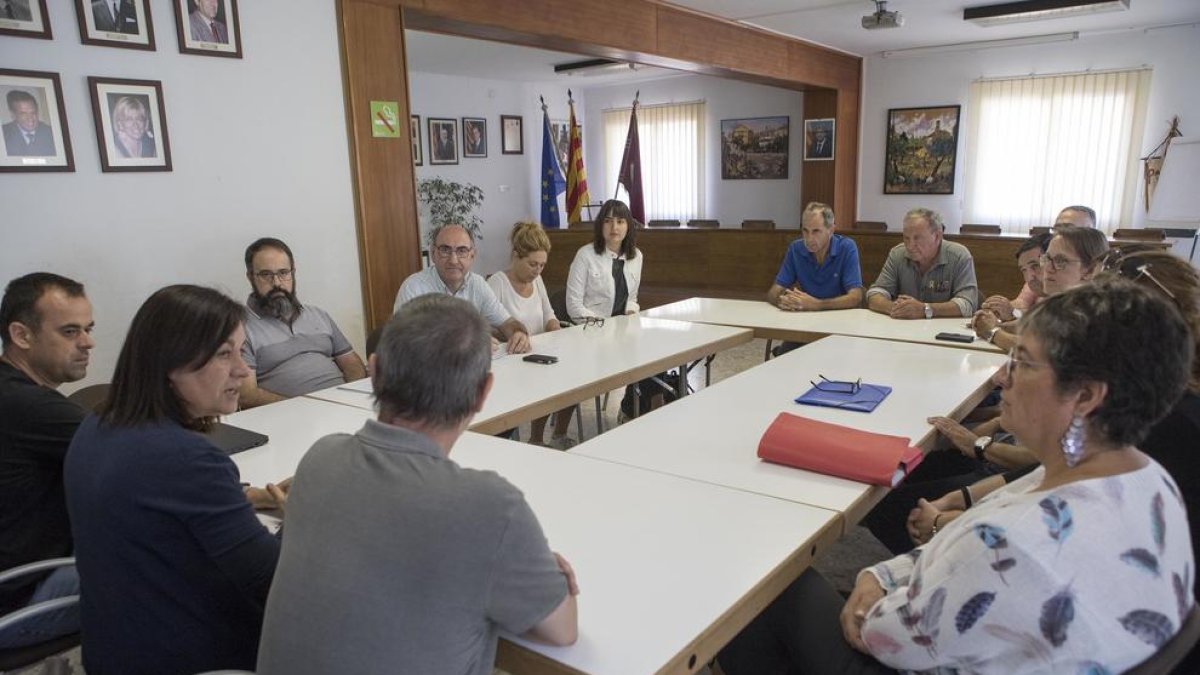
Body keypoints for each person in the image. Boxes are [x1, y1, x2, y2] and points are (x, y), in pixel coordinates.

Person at [721, 278, 1196, 674]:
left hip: (916, 651)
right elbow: (965, 560)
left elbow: (889, 636)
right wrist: (876, 573)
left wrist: (871, 600)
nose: (1004, 377)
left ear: (1087, 396)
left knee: (759, 586)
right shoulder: (1147, 479)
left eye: (1024, 362)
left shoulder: (1017, 543)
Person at [256, 294, 578, 675]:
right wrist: (552, 575)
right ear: (483, 392)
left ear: (372, 373)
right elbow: (562, 630)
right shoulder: (489, 506)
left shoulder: (319, 458)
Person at [64, 285, 287, 675]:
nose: (243, 370)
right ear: (171, 363)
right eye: (223, 354)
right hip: (193, 656)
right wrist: (303, 516)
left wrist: (247, 498)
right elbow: (273, 581)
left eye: (240, 350)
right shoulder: (188, 458)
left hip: (112, 648)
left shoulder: (97, 422)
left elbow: (156, 506)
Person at [0, 273, 93, 649]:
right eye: (70, 332)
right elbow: (141, 456)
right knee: (176, 565)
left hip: (22, 576)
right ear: (21, 336)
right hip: (18, 602)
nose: (89, 342)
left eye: (88, 328)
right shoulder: (28, 405)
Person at [239, 238, 366, 408]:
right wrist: (303, 408)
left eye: (283, 273)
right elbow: (247, 395)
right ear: (250, 277)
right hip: (291, 416)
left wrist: (352, 399)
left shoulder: (318, 315)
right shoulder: (241, 329)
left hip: (343, 406)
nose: (276, 282)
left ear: (293, 273)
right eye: (266, 275)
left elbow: (353, 365)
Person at [565, 199, 660, 419]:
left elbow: (632, 297)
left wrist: (630, 310)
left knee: (656, 353)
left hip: (623, 332)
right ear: (600, 226)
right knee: (641, 356)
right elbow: (573, 306)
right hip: (591, 334)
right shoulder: (585, 255)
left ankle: (642, 407)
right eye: (608, 221)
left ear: (629, 226)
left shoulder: (637, 256)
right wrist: (606, 326)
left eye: (620, 221)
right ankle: (638, 409)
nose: (614, 227)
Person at [487, 222, 577, 448]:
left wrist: (555, 328)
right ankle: (535, 439)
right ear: (516, 256)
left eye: (542, 265)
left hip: (539, 355)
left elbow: (549, 314)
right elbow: (484, 326)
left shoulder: (537, 280)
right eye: (532, 264)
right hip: (511, 363)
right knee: (546, 384)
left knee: (576, 378)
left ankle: (556, 434)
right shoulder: (497, 282)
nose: (537, 271)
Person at [395, 224, 532, 354]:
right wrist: (465, 344)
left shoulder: (478, 284)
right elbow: (403, 343)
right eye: (445, 250)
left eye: (462, 251)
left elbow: (507, 322)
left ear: (472, 256)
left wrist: (518, 333)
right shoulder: (414, 287)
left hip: (470, 372)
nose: (453, 260)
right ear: (433, 254)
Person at [866, 207, 979, 319]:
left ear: (937, 236)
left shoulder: (959, 256)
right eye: (906, 238)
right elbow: (875, 293)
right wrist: (896, 309)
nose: (910, 246)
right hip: (904, 329)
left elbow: (967, 304)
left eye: (917, 238)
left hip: (943, 330)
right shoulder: (897, 254)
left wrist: (925, 309)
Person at [1001, 205, 1098, 316]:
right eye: (1057, 229)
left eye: (1069, 229)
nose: (1059, 235)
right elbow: (1023, 305)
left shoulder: (1100, 286)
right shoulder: (1048, 269)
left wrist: (994, 332)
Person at [767, 201, 863, 312]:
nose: (809, 239)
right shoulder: (796, 249)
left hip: (839, 316)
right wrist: (785, 301)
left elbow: (856, 297)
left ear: (831, 230)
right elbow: (774, 291)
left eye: (816, 231)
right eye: (805, 230)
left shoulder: (846, 247)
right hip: (807, 316)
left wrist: (818, 305)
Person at [972, 233, 1050, 350]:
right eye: (1024, 270)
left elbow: (1037, 350)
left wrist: (992, 331)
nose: (1029, 277)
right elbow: (1031, 322)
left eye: (1036, 266)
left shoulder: (1073, 298)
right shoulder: (1044, 291)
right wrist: (994, 318)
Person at [2, 89, 55, 157]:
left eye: (33, 112)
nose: (30, 118)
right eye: (23, 114)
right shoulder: (4, 134)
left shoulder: (51, 133)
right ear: (13, 115)